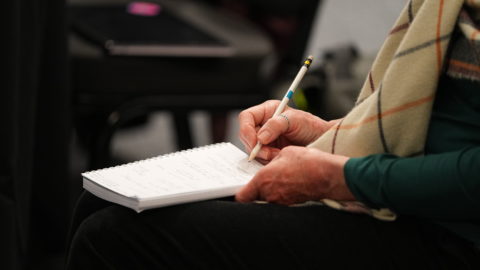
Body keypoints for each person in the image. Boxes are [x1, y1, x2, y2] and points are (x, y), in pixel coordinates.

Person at [66, 0, 480, 269]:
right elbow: (446, 126)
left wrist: (340, 175)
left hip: (447, 235)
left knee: (114, 238)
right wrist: (328, 133)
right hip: (408, 195)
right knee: (102, 201)